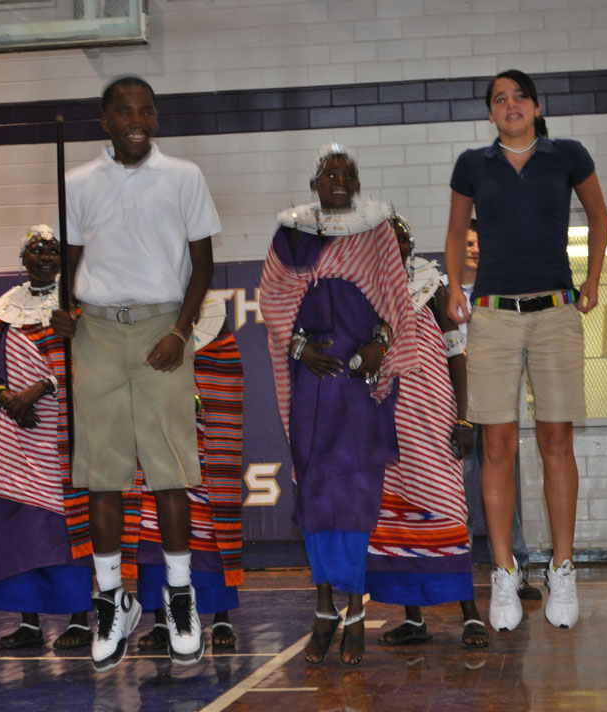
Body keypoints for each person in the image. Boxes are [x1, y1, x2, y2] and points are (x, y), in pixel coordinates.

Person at [51, 75, 219, 671]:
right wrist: (65, 311)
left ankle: (179, 596)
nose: (136, 119)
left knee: (170, 472)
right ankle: (110, 600)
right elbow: (69, 267)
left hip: (161, 332)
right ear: (105, 120)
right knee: (103, 475)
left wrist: (180, 331)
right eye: (124, 111)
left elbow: (203, 265)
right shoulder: (77, 184)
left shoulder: (184, 177)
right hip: (96, 332)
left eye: (146, 110)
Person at [444, 69, 607, 632]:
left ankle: (562, 569)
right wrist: (451, 288)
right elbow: (454, 230)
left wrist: (592, 279)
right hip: (492, 316)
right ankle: (504, 572)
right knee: (496, 443)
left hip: (557, 311)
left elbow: (599, 216)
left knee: (556, 439)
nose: (509, 105)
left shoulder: (568, 154)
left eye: (518, 96)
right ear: (490, 113)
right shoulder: (473, 164)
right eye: (499, 99)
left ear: (537, 106)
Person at [259, 144, 416, 666]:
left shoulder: (376, 230)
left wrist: (380, 341)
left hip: (359, 382)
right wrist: (301, 350)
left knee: (356, 496)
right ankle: (323, 608)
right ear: (315, 184)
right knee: (316, 495)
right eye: (330, 173)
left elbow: (395, 298)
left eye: (349, 173)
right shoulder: (292, 235)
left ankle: (353, 612)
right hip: (313, 382)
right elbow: (274, 299)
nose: (340, 179)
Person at [367, 214, 487, 649]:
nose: (393, 244)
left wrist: (463, 416)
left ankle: (470, 613)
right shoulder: (366, 291)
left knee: (450, 508)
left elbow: (456, 350)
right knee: (397, 517)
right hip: (388, 418)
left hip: (435, 413)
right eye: (385, 238)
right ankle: (413, 619)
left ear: (410, 243)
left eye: (400, 237)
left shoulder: (430, 283)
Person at [0, 226, 93, 650]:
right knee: (19, 526)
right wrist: (5, 396)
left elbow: (91, 358)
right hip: (14, 434)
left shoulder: (77, 303)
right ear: (23, 258)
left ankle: (79, 618)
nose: (44, 257)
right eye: (36, 250)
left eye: (53, 250)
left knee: (65, 525)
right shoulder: (6, 308)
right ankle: (29, 622)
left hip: (63, 430)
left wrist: (38, 390)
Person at [134, 312, 244, 654]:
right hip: (155, 442)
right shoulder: (141, 313)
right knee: (152, 528)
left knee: (209, 529)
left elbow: (224, 380)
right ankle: (161, 622)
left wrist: (194, 398)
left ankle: (220, 616)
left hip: (203, 450)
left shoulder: (214, 321)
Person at [449, 220, 541, 601]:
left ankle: (514, 572)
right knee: (461, 495)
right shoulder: (443, 292)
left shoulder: (502, 292)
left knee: (506, 490)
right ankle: (456, 578)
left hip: (498, 400)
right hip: (459, 406)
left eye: (480, 242)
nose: (474, 249)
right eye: (468, 242)